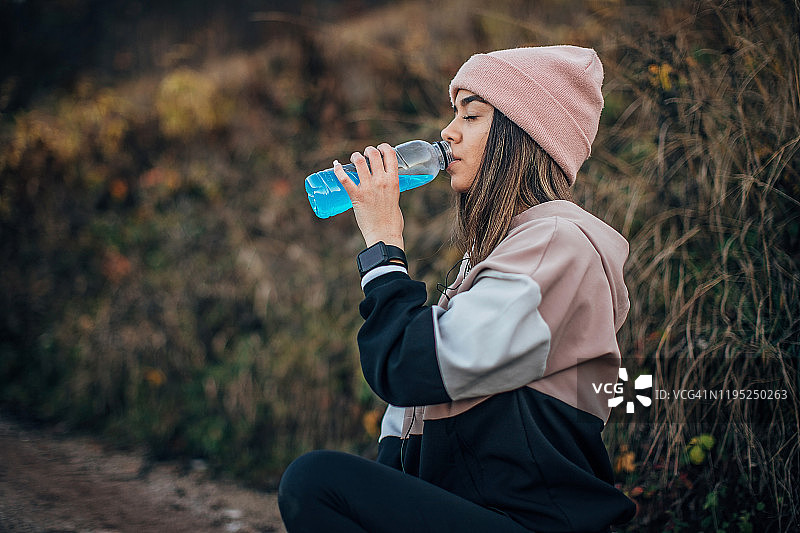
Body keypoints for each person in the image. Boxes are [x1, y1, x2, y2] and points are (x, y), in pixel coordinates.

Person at [278, 45, 637, 533]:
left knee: (314, 481)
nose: (448, 132)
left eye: (472, 115)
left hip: (534, 523)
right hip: (476, 514)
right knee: (324, 484)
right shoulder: (498, 258)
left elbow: (412, 366)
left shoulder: (558, 245)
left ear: (522, 136)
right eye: (454, 114)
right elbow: (406, 418)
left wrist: (384, 248)